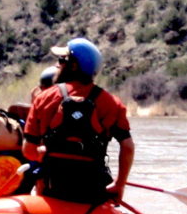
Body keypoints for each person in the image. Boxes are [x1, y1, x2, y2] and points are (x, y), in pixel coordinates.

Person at [21, 37, 134, 204]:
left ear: (73, 66)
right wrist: (120, 184)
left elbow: (28, 150)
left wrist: (44, 152)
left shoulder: (44, 98)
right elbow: (128, 147)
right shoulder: (112, 103)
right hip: (92, 192)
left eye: (62, 60)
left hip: (51, 193)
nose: (58, 65)